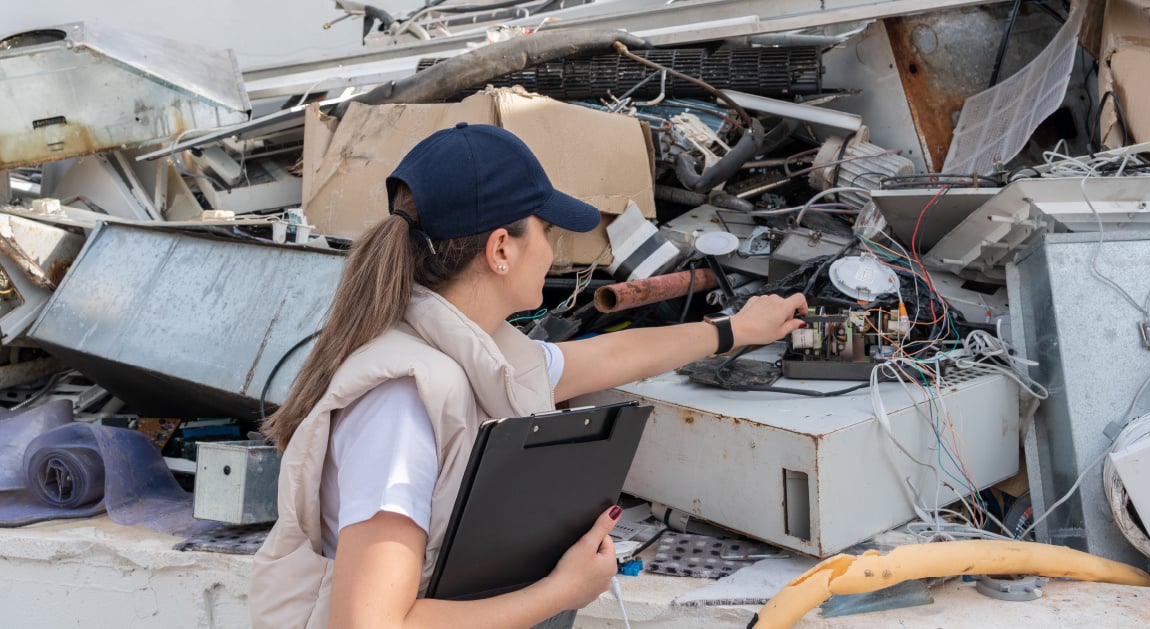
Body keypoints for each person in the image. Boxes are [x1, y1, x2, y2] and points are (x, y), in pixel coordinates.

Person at [249, 122, 808, 629]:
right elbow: (368, 626)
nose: (552, 251)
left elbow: (611, 356)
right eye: (545, 230)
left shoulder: (476, 349)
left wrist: (736, 329)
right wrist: (561, 591)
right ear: (501, 249)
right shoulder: (402, 402)